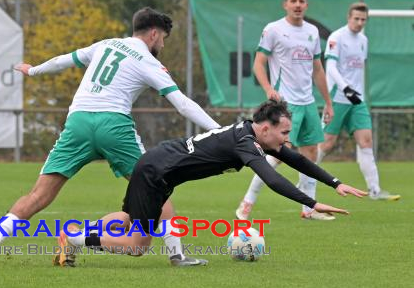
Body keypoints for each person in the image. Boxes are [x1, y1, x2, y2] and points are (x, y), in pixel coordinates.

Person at [0, 7, 221, 268]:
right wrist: (221, 131)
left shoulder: (105, 45)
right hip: (113, 125)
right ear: (153, 34)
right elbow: (184, 105)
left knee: (38, 195)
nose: (162, 44)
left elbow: (64, 60)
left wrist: (33, 71)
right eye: (163, 38)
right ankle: (177, 255)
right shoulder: (148, 61)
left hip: (78, 123)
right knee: (157, 186)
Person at [56, 99, 367, 263]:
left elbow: (296, 159)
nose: (287, 139)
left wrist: (335, 182)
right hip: (156, 172)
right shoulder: (246, 142)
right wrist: (310, 202)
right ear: (265, 128)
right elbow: (272, 179)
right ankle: (73, 240)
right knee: (138, 245)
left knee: (127, 218)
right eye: (284, 132)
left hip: (158, 166)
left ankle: (176, 257)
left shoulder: (251, 135)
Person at [236, 0, 336, 221]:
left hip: (308, 102)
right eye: (293, 1)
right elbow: (258, 64)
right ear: (285, 4)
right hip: (285, 103)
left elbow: (318, 69)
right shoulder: (274, 29)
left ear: (306, 5)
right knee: (278, 154)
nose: (298, 5)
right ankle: (247, 202)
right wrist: (269, 89)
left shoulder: (312, 31)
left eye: (302, 1)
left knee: (311, 152)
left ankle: (308, 210)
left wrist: (328, 103)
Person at [317, 2, 400, 201]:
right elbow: (331, 68)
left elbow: (359, 70)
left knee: (366, 142)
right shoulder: (336, 37)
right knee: (326, 144)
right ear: (348, 17)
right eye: (356, 18)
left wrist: (358, 94)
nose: (359, 22)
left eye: (363, 19)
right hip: (337, 97)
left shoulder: (363, 40)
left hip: (357, 101)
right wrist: (346, 88)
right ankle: (304, 183)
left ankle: (375, 190)